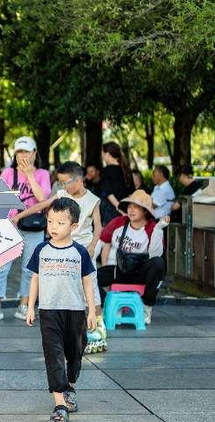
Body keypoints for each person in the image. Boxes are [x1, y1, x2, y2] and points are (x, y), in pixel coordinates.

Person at [14, 161, 106, 353]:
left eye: (66, 182)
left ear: (79, 180)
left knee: (91, 284)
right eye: (61, 183)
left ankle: (98, 326)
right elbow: (42, 204)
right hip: (62, 247)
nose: (63, 187)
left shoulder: (93, 200)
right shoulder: (63, 195)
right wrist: (19, 216)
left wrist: (91, 246)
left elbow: (98, 227)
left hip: (84, 247)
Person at [26, 198, 96, 422]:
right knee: (53, 355)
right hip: (49, 311)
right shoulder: (41, 250)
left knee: (75, 353)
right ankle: (59, 405)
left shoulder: (80, 252)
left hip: (75, 311)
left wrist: (92, 311)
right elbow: (35, 279)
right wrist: (30, 307)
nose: (53, 227)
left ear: (74, 226)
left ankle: (70, 385)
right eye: (50, 222)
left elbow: (87, 282)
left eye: (60, 223)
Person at [0, 137, 51, 322]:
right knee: (0, 267)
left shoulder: (42, 174)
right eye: (19, 152)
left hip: (34, 227)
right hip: (9, 226)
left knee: (29, 269)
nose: (22, 156)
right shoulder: (7, 173)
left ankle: (24, 304)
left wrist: (30, 175)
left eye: (26, 152)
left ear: (34, 153)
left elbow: (42, 200)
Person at [96, 190, 168, 325]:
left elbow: (155, 254)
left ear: (145, 211)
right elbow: (101, 242)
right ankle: (108, 305)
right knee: (89, 277)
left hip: (139, 272)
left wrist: (159, 230)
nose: (131, 210)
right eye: (129, 206)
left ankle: (147, 307)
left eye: (136, 207)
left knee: (158, 263)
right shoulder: (118, 222)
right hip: (118, 269)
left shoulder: (152, 228)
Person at [99, 142, 135, 225]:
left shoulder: (106, 171)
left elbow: (109, 194)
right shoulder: (126, 170)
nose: (103, 157)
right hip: (127, 211)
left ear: (108, 154)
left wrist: (120, 209)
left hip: (111, 213)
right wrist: (128, 209)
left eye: (103, 154)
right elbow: (131, 194)